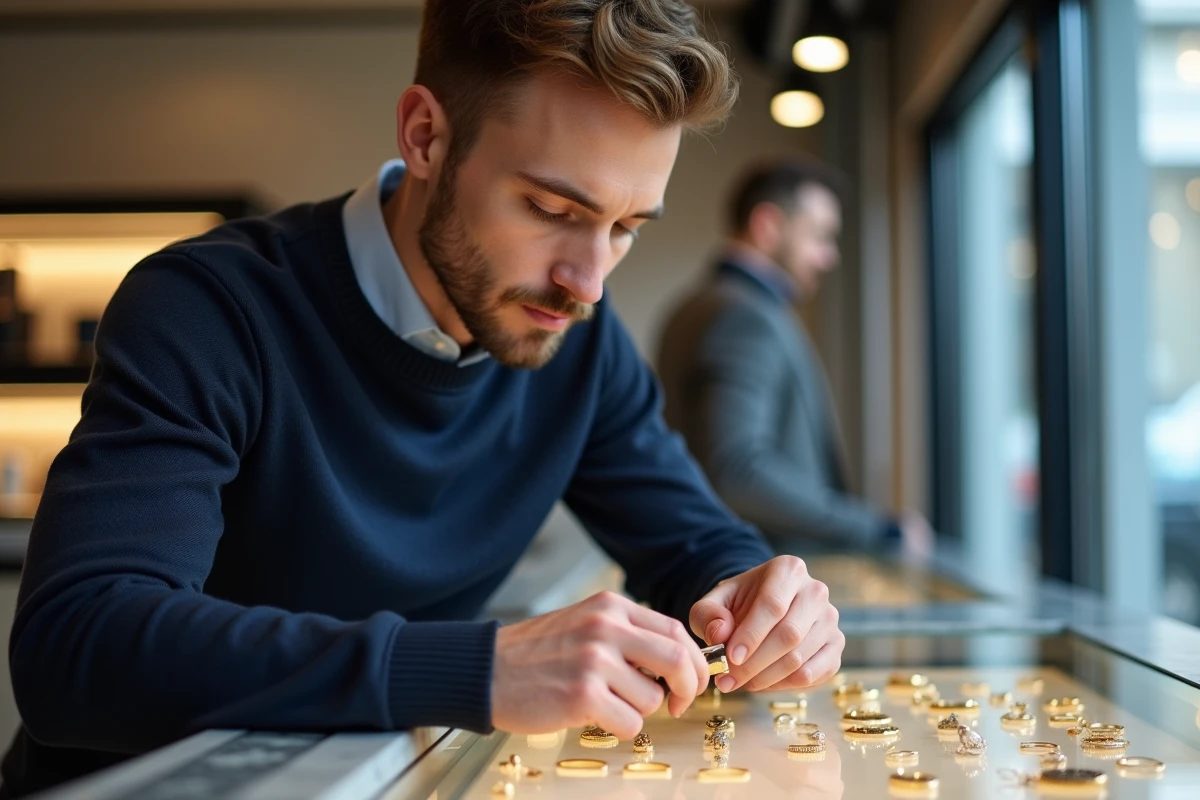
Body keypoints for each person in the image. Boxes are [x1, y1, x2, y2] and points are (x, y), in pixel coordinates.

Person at [1, 2, 846, 795]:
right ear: (426, 136)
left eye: (627, 227)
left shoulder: (578, 340)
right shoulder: (209, 307)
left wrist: (755, 596)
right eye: (552, 207)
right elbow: (76, 646)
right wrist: (478, 669)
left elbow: (692, 539)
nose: (587, 281)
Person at [657, 159, 933, 556]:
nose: (829, 257)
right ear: (767, 225)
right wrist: (877, 530)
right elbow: (738, 471)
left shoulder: (695, 306)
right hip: (761, 576)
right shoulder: (744, 316)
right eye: (820, 237)